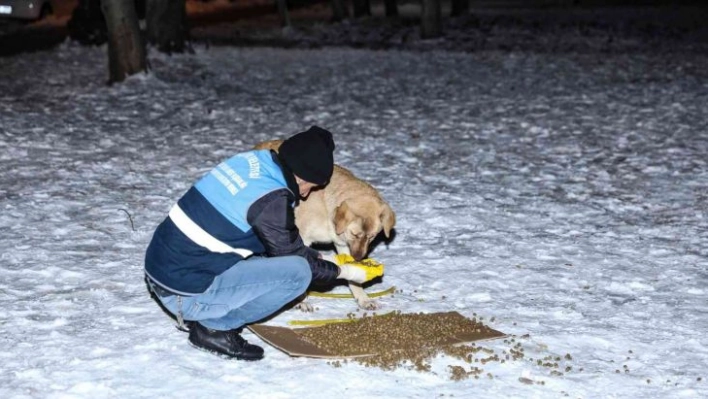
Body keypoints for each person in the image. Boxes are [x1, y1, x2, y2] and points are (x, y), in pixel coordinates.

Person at [144, 126, 383, 361]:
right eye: (312, 186)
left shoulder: (250, 162)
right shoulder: (272, 200)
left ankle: (210, 310)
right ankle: (215, 328)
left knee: (268, 257)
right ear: (303, 175)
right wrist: (345, 271)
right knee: (297, 274)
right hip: (184, 294)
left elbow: (278, 242)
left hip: (161, 270)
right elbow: (295, 260)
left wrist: (321, 258)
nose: (308, 194)